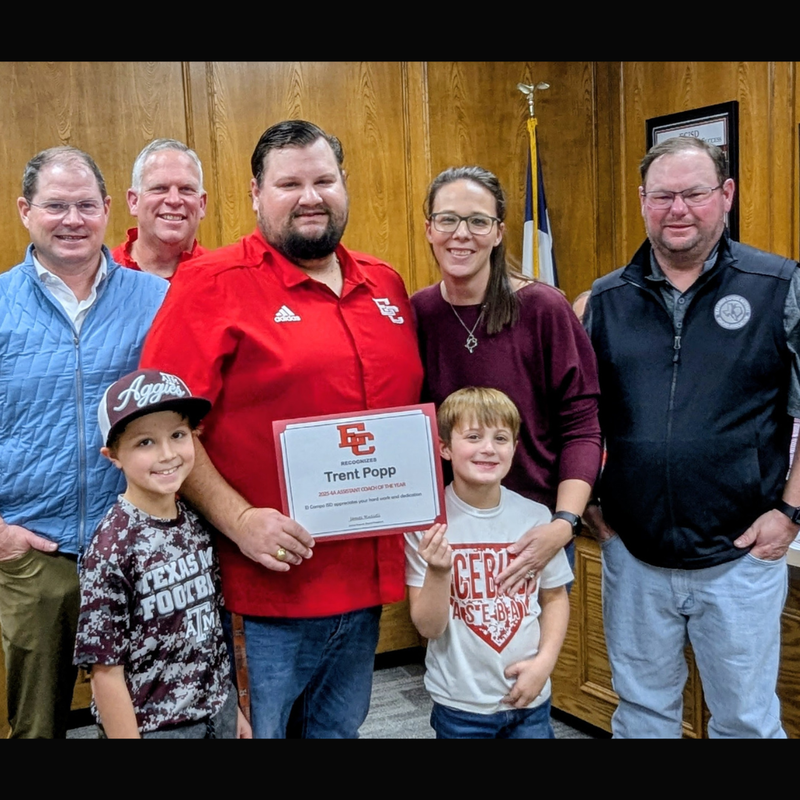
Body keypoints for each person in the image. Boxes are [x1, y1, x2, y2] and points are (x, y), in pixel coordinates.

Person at [139, 119, 424, 738]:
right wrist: (240, 520)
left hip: (365, 583)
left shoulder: (387, 284)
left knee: (335, 733)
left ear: (344, 185)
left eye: (324, 179)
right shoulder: (210, 284)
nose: (310, 196)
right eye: (289, 183)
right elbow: (160, 429)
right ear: (255, 193)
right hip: (265, 592)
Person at [584, 135, 799, 738]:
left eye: (694, 194)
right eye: (662, 196)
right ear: (642, 201)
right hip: (635, 555)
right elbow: (581, 416)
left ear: (725, 195)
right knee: (643, 716)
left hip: (741, 555)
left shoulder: (778, 286)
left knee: (746, 723)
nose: (677, 209)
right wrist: (591, 502)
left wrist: (789, 511)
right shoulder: (605, 299)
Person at [0, 146, 168, 738]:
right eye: (55, 205)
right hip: (31, 549)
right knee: (36, 724)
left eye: (85, 205)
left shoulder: (155, 300)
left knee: (146, 712)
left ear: (106, 212)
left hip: (134, 541)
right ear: (25, 211)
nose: (72, 219)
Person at [412, 166, 601, 593]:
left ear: (498, 232)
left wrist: (564, 524)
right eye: (448, 219)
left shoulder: (542, 309)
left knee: (527, 657)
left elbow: (583, 428)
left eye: (478, 221)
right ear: (429, 229)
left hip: (534, 532)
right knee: (453, 657)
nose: (462, 234)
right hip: (450, 535)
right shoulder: (417, 313)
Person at [73, 369, 250, 739]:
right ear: (113, 456)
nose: (167, 454)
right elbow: (105, 672)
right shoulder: (112, 547)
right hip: (155, 729)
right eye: (144, 443)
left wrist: (230, 707)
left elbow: (212, 630)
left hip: (216, 715)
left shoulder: (196, 523)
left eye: (177, 435)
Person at [405, 387, 572, 738]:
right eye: (473, 436)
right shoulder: (427, 523)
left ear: (514, 446)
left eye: (501, 438)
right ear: (445, 447)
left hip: (530, 700)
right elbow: (428, 627)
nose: (488, 448)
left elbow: (555, 598)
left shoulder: (535, 516)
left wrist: (544, 664)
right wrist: (439, 571)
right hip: (460, 706)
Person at [112, 138, 208, 280]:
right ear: (134, 202)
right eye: (160, 188)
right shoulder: (101, 276)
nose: (174, 200)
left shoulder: (222, 277)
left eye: (186, 189)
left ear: (201, 204)